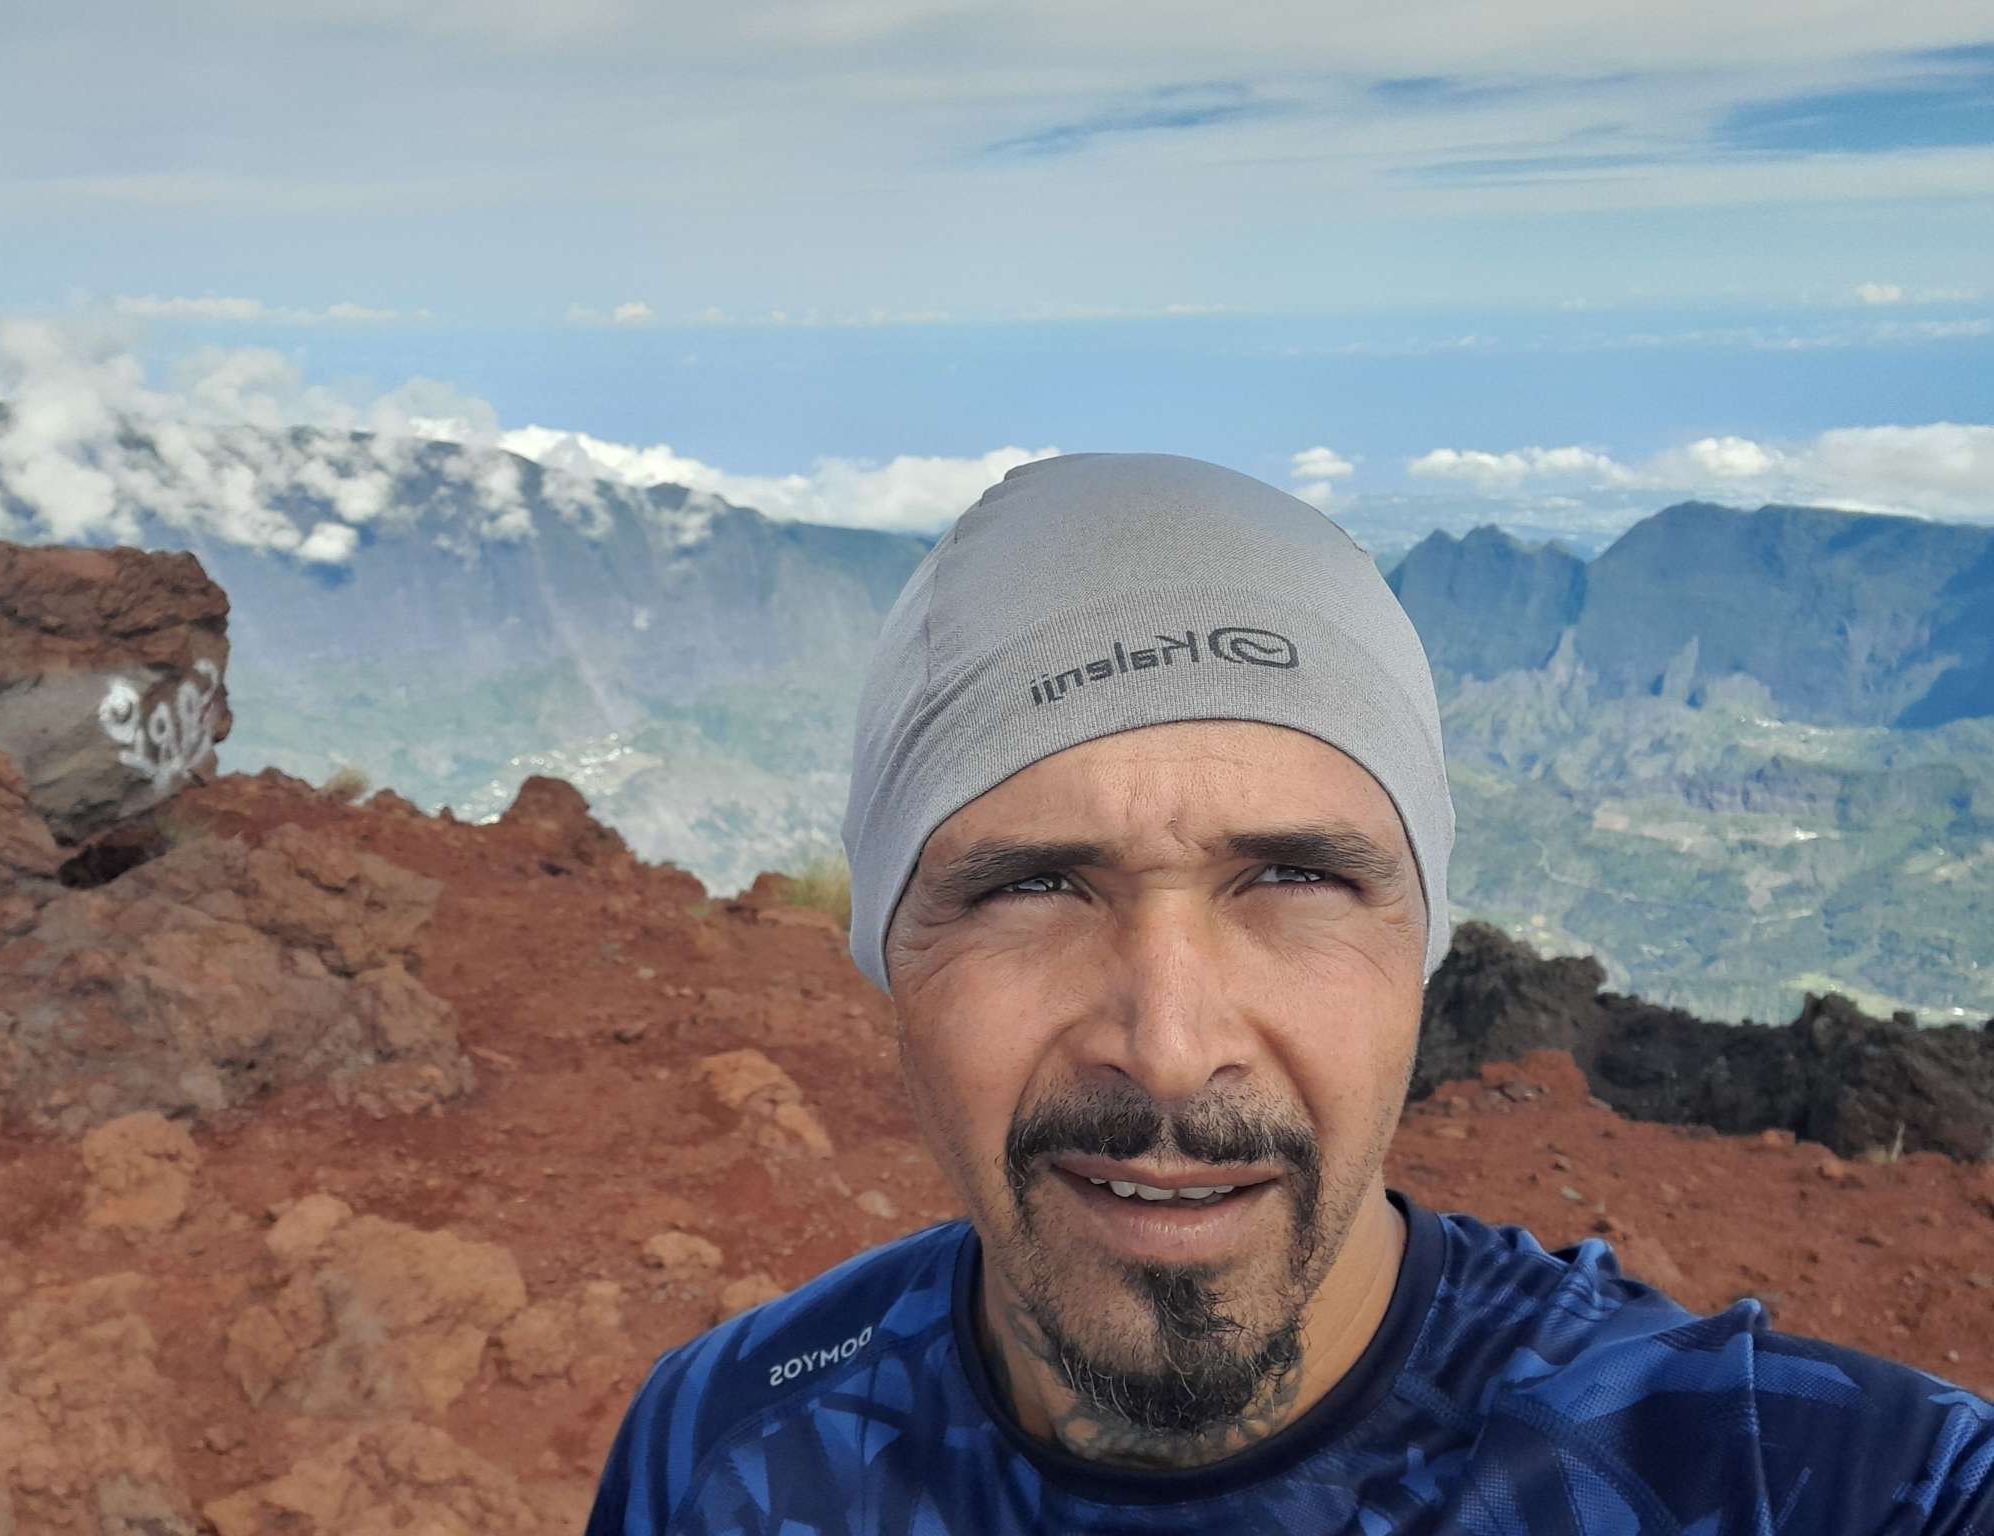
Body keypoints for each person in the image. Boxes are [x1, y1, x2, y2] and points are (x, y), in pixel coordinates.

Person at [586, 453, 1994, 1533]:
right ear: (889, 952)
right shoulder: (721, 1454)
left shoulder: (1809, 1482)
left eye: (1294, 879)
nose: (1170, 1045)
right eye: (1035, 887)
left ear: (1420, 947)